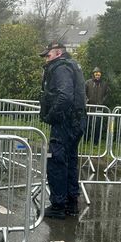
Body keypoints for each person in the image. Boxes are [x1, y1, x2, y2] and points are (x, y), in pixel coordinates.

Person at [39, 41, 87, 219]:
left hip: (65, 121)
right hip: (76, 120)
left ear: (58, 53)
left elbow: (65, 96)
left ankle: (58, 205)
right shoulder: (72, 66)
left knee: (57, 162)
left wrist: (51, 115)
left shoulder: (61, 68)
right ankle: (71, 203)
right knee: (70, 161)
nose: (46, 58)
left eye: (48, 54)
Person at [85, 67, 110, 144]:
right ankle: (86, 140)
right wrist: (87, 100)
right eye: (96, 74)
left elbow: (108, 94)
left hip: (99, 108)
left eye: (99, 74)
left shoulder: (104, 84)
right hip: (89, 107)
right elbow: (83, 92)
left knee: (98, 125)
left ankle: (95, 142)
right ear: (93, 74)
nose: (97, 76)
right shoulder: (88, 83)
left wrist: (102, 101)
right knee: (87, 124)